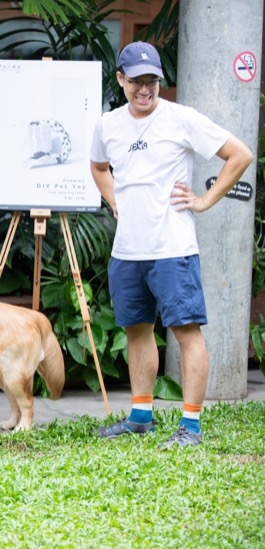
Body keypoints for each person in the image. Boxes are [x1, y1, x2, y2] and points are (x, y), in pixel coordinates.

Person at [90, 41, 253, 448]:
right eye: (136, 82)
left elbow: (239, 155)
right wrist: (113, 199)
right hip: (127, 251)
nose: (145, 90)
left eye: (152, 82)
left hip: (173, 248)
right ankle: (142, 416)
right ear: (120, 80)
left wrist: (203, 201)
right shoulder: (107, 124)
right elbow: (97, 165)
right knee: (137, 330)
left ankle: (191, 426)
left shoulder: (182, 118)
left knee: (186, 333)